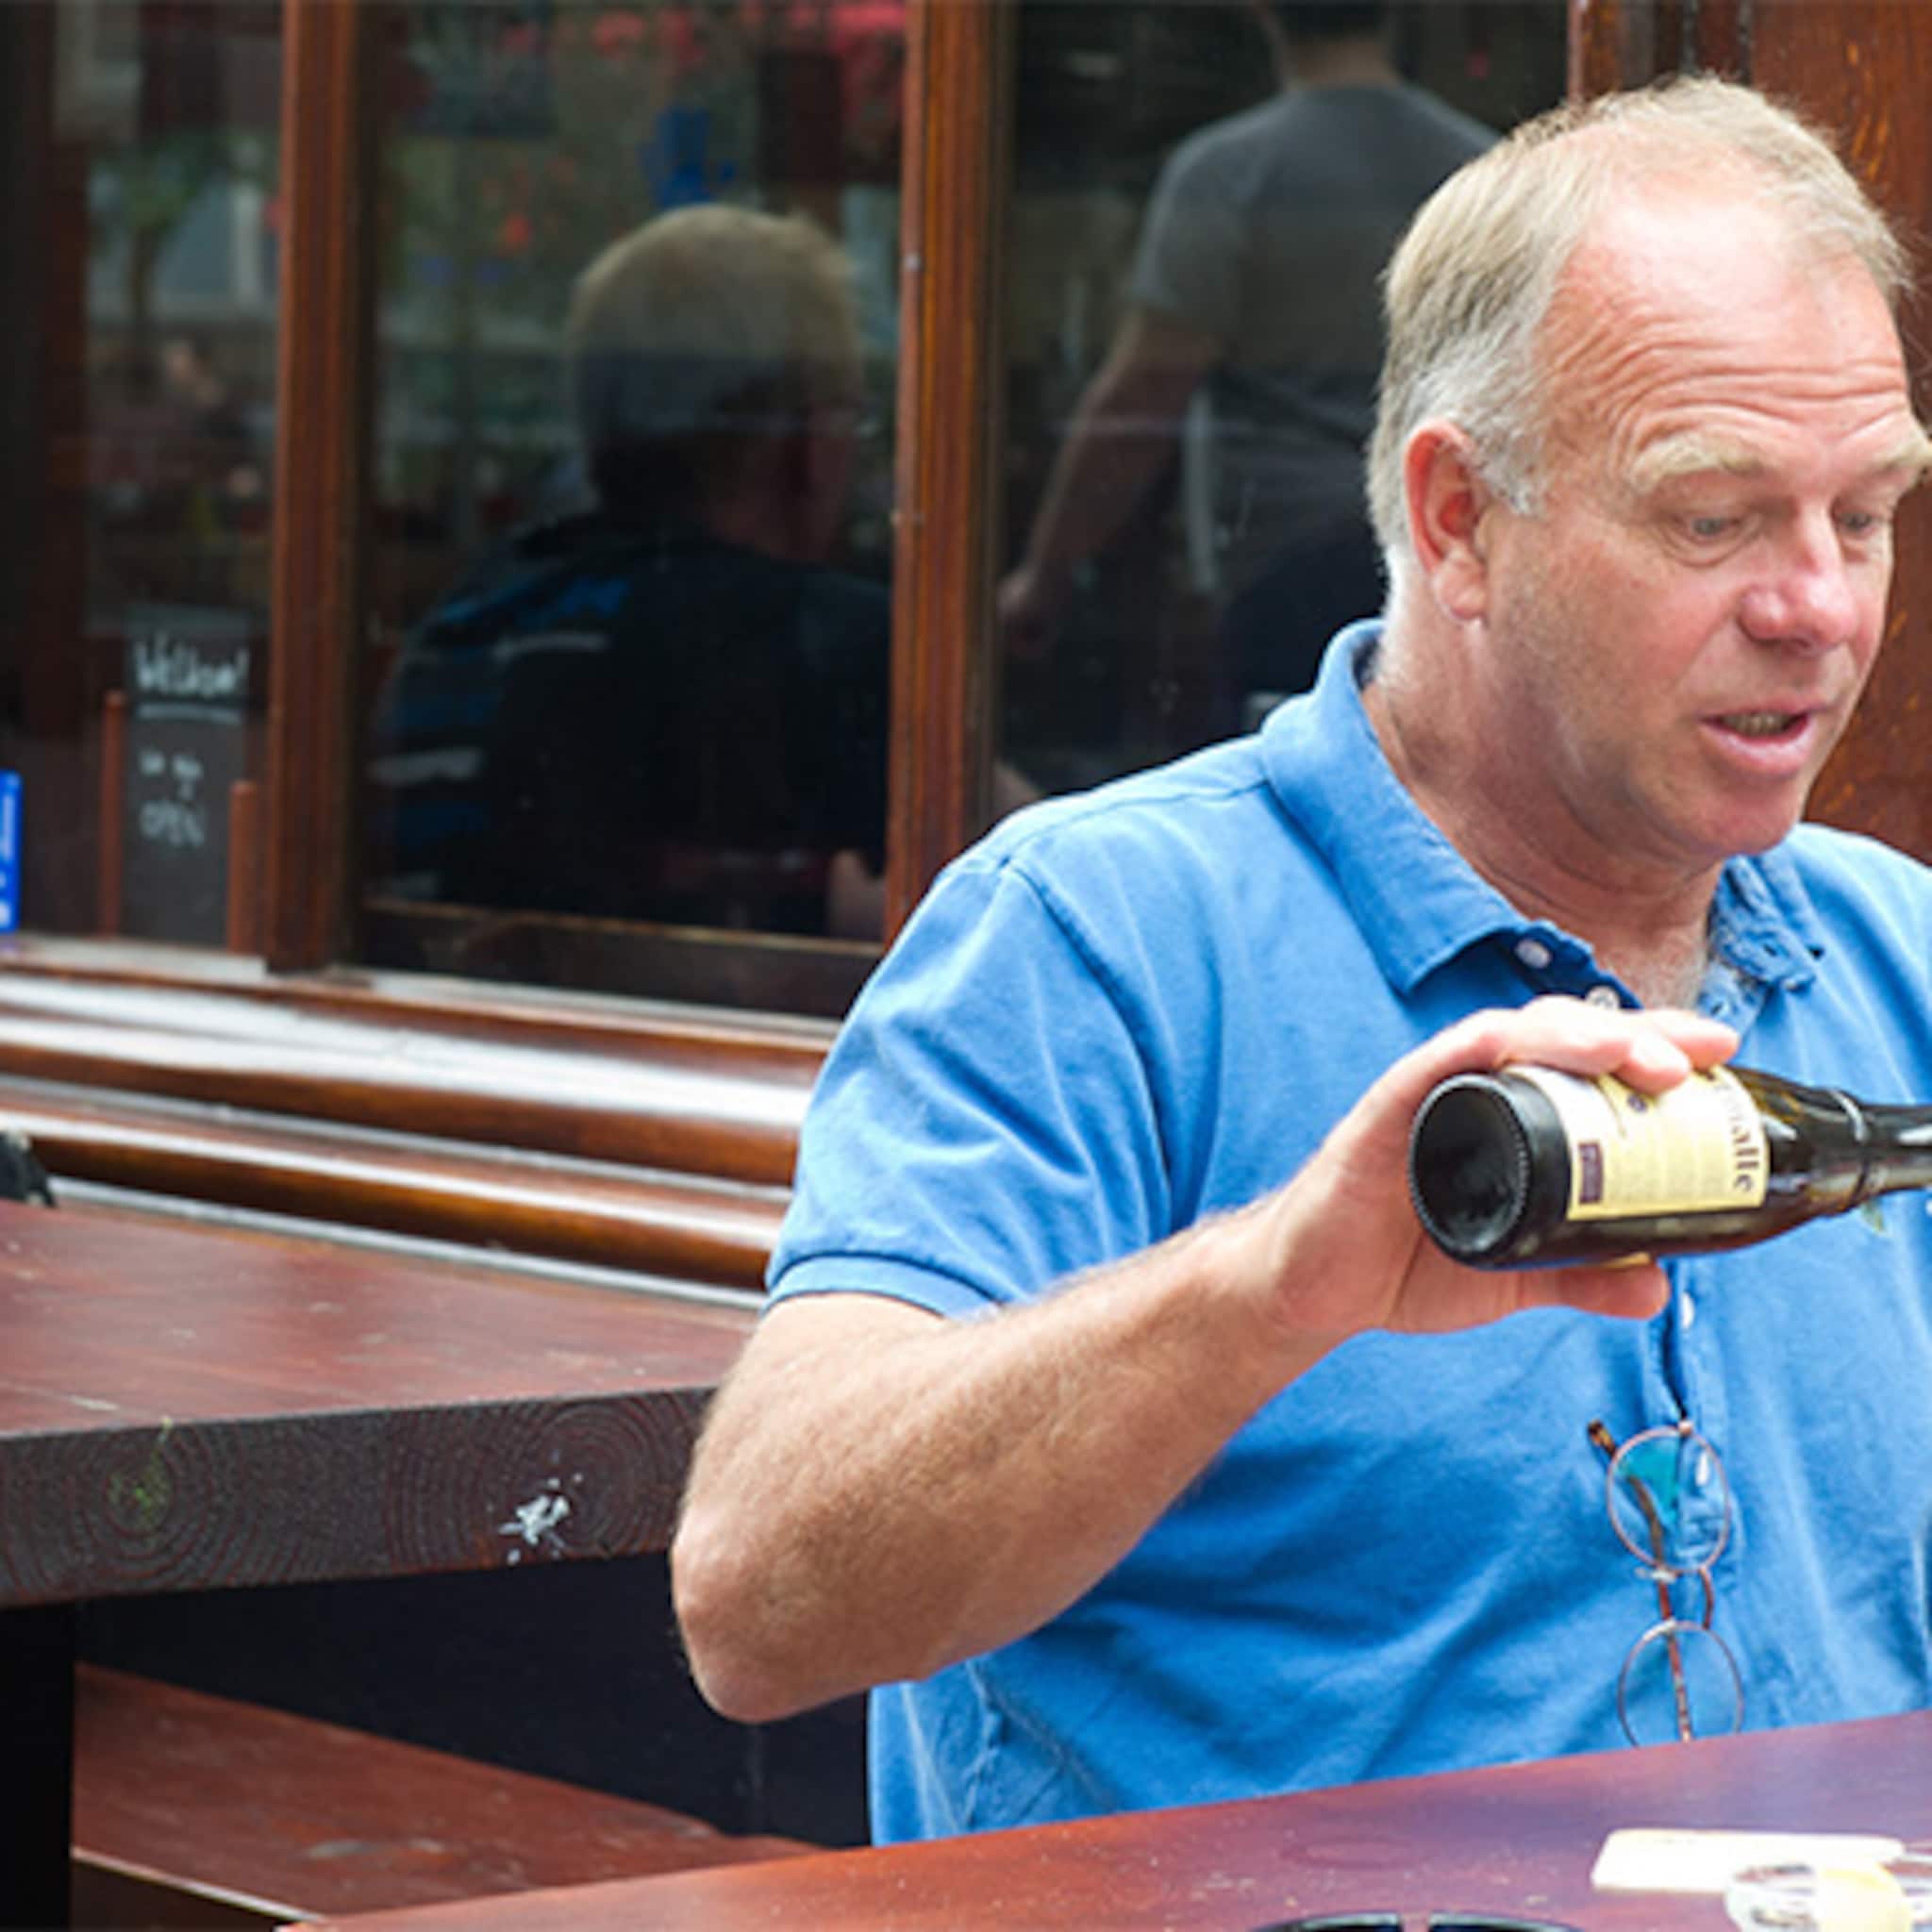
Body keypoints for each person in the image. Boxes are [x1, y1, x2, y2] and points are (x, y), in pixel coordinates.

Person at [672, 75, 1932, 1841]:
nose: (1819, 605)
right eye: (1712, 516)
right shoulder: (1092, 937)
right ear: (1454, 522)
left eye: (1862, 514)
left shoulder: (1900, 949)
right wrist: (1275, 1282)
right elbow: (755, 1598)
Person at [365, 205, 891, 940]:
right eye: (852, 417)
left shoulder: (453, 638)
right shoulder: (830, 647)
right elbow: (1032, 884)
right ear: (806, 443)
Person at [998, 2, 1494, 708]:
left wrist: (1044, 576)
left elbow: (1145, 392)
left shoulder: (1225, 173)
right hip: (1443, 551)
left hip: (1271, 558)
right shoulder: (1479, 171)